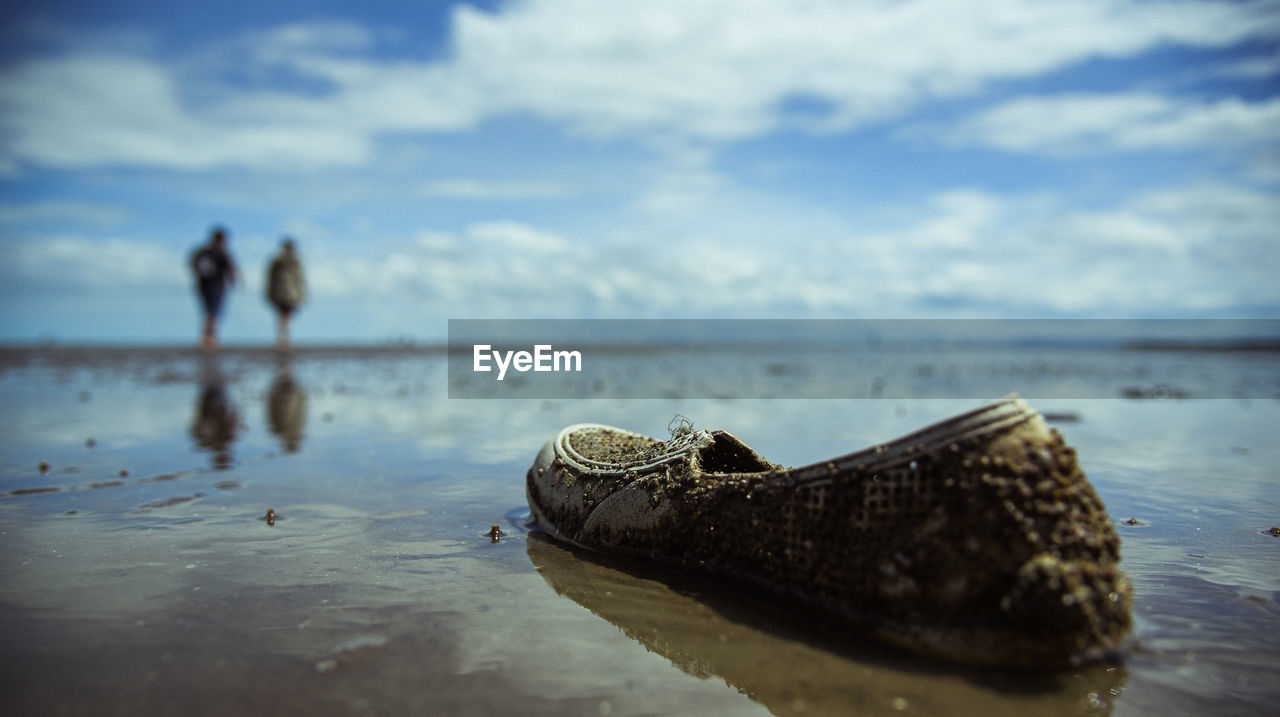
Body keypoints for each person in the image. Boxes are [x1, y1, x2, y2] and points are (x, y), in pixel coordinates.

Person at [190, 227, 237, 351]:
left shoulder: (203, 252)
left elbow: (193, 265)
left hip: (203, 286)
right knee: (213, 313)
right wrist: (233, 281)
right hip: (216, 286)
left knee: (208, 312)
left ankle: (205, 338)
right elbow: (231, 269)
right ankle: (210, 339)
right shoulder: (221, 253)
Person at [266, 238, 307, 350]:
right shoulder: (289, 261)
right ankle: (285, 339)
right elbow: (299, 280)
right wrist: (301, 294)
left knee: (283, 316)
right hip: (288, 293)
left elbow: (299, 280)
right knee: (286, 316)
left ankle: (283, 339)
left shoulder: (281, 261)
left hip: (282, 293)